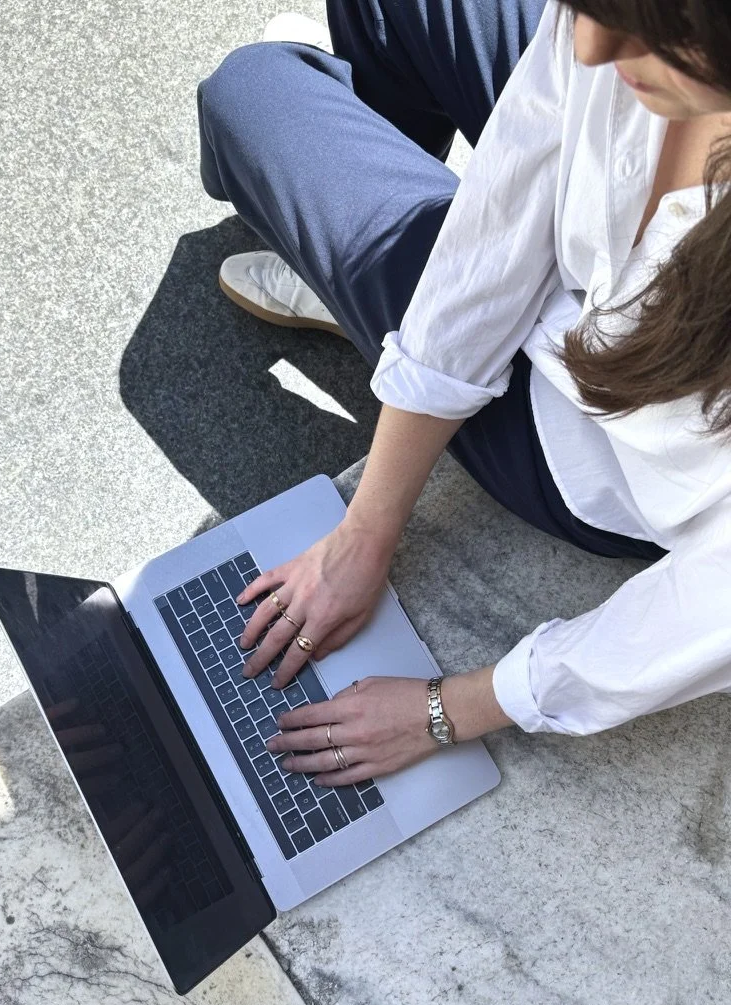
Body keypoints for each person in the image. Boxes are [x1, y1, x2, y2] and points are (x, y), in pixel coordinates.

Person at [196, 0, 731, 787]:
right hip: (581, 297)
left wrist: (446, 709)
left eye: (658, 33)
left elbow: (712, 611)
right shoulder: (618, 27)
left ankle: (348, 253)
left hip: (588, 443)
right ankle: (355, 260)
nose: (586, 43)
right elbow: (503, 213)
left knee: (254, 93)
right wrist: (366, 531)